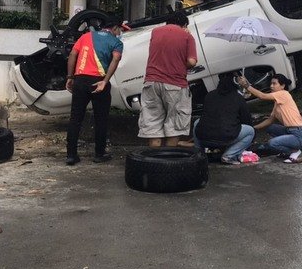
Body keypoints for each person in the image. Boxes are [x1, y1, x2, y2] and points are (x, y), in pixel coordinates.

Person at [65, 16, 130, 165]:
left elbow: (73, 55)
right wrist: (105, 81)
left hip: (80, 81)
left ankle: (71, 155)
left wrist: (70, 77)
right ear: (114, 28)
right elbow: (116, 58)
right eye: (119, 30)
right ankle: (99, 154)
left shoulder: (86, 36)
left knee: (75, 119)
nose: (119, 33)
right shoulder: (116, 42)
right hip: (99, 81)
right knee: (101, 119)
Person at [137, 11, 198, 147]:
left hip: (151, 83)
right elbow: (192, 62)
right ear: (184, 24)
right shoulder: (187, 36)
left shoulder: (155, 32)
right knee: (175, 126)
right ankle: (168, 162)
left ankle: (154, 163)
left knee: (153, 126)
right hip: (175, 85)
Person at [238, 73, 302, 163]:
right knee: (271, 128)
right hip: (289, 131)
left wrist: (246, 85)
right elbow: (270, 120)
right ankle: (289, 150)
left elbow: (262, 96)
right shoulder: (277, 103)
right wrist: (254, 128)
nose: (271, 86)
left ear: (282, 86)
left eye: (274, 84)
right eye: (271, 83)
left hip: (299, 135)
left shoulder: (283, 94)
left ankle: (294, 151)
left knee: (272, 143)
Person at [193, 72, 255, 165]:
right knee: (250, 131)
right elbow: (247, 120)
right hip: (226, 137)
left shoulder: (209, 95)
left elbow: (204, 117)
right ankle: (229, 155)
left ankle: (199, 153)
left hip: (204, 137)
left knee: (196, 122)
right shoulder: (238, 98)